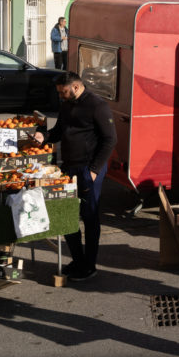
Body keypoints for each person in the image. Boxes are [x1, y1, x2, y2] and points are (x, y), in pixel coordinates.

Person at [34, 72, 117, 281]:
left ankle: (89, 265)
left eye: (64, 92)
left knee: (89, 218)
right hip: (68, 168)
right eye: (59, 92)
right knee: (68, 214)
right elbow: (59, 131)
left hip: (88, 169)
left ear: (76, 87)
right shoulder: (66, 105)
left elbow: (110, 140)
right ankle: (78, 260)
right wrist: (44, 136)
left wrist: (94, 170)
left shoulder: (98, 106)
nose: (61, 95)